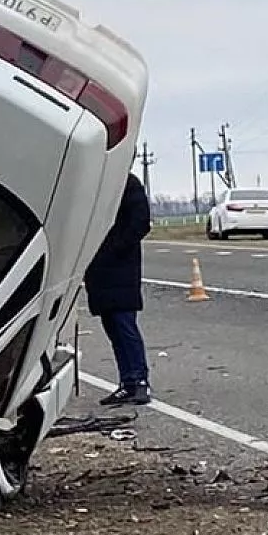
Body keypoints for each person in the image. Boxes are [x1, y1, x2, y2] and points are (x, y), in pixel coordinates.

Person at [84, 171, 153, 406]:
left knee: (125, 324)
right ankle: (127, 382)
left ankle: (140, 380)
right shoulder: (94, 183)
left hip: (121, 264)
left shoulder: (127, 183)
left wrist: (114, 248)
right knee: (112, 326)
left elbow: (140, 222)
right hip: (97, 265)